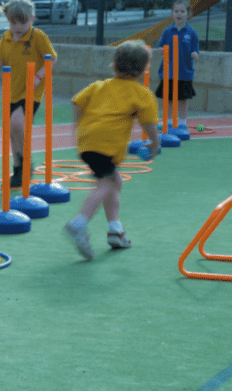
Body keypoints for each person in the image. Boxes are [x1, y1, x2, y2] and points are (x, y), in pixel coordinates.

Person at [64, 40, 160, 261]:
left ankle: (115, 231)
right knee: (105, 184)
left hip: (88, 142)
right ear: (144, 68)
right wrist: (155, 145)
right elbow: (149, 125)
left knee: (114, 182)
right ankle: (79, 223)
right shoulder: (142, 94)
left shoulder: (100, 86)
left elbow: (76, 103)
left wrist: (80, 129)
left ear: (114, 65)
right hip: (106, 146)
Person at [0, 0, 56, 188]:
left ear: (31, 19)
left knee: (17, 123)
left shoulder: (38, 36)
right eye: (13, 23)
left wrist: (39, 77)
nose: (17, 27)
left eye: (21, 23)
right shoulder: (6, 37)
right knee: (11, 132)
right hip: (11, 90)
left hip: (32, 91)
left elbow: (52, 59)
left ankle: (26, 161)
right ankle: (18, 170)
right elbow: (1, 63)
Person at [155, 0, 199, 128]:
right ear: (172, 14)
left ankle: (183, 123)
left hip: (184, 72)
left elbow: (195, 49)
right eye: (176, 11)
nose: (179, 14)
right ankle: (168, 122)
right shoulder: (167, 32)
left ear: (188, 13)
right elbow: (159, 49)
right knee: (168, 98)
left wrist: (195, 54)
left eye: (182, 11)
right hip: (168, 72)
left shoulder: (191, 33)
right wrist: (161, 50)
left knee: (182, 99)